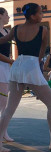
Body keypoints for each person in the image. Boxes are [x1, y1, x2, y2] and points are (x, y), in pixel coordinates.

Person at [0, 3, 51, 151]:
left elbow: (2, 40)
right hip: (30, 66)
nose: (42, 15)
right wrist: (36, 66)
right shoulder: (43, 30)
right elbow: (40, 52)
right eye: (40, 13)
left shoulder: (16, 29)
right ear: (32, 16)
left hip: (18, 66)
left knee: (9, 108)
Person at [0, 8, 14, 143]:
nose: (8, 17)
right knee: (2, 103)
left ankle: (3, 131)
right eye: (6, 15)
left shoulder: (7, 32)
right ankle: (2, 132)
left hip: (6, 68)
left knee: (5, 104)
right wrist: (10, 61)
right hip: (1, 68)